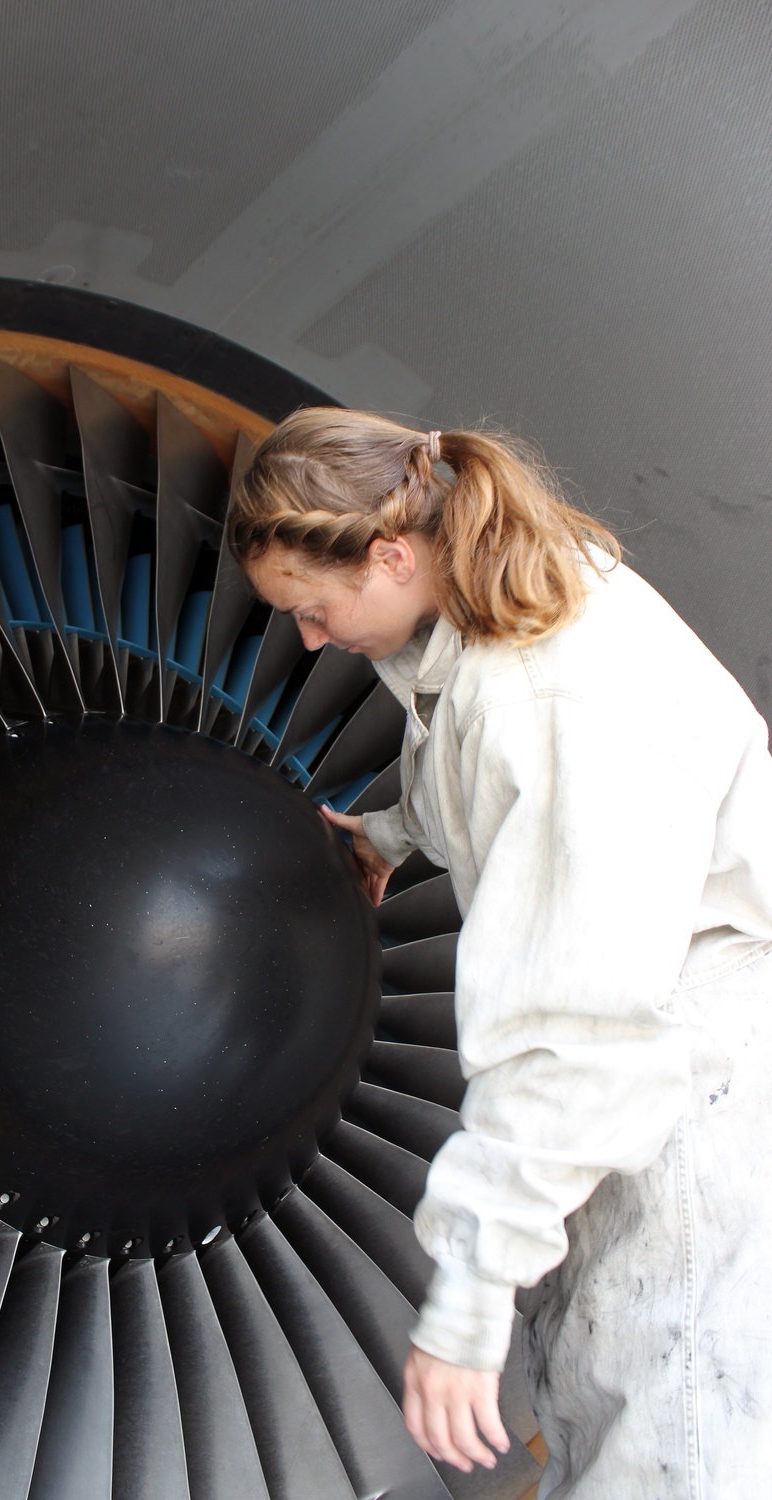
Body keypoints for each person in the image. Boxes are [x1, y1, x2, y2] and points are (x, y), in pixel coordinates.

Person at [226, 409, 772, 1499]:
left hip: (680, 1055)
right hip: (654, 1030)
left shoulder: (557, 698)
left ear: (390, 555)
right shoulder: (495, 586)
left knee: (669, 1435)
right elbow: (470, 744)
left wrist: (466, 1309)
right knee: (591, 1381)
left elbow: (574, 1036)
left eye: (312, 609)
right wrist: (388, 836)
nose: (312, 641)